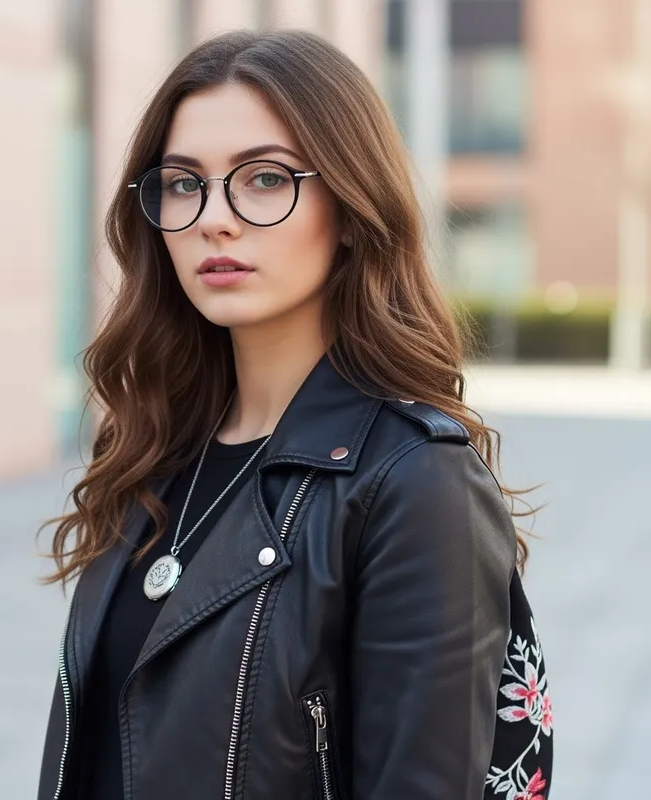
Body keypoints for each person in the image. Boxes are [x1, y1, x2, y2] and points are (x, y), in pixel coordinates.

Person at [37, 29, 553, 800]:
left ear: (348, 209)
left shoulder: (415, 484)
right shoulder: (154, 453)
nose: (215, 217)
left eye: (264, 178)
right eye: (184, 183)